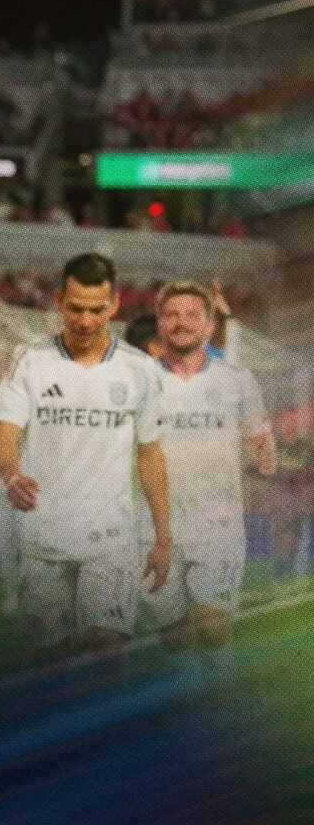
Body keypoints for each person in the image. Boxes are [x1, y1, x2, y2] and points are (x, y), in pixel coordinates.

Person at [0, 253, 172, 659]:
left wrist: (163, 538)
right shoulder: (31, 362)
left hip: (111, 539)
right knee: (51, 660)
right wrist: (12, 475)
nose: (86, 320)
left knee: (107, 650)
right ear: (58, 301)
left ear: (114, 305)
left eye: (96, 309)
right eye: (76, 308)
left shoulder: (140, 369)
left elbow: (151, 454)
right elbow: (4, 438)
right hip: (43, 538)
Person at [139, 281, 274, 682]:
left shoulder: (237, 379)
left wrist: (264, 451)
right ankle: (188, 706)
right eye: (172, 315)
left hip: (217, 523)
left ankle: (220, 702)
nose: (181, 323)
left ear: (209, 325)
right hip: (154, 527)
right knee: (174, 635)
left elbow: (260, 439)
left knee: (212, 626)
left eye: (191, 315)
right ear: (160, 324)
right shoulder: (139, 380)